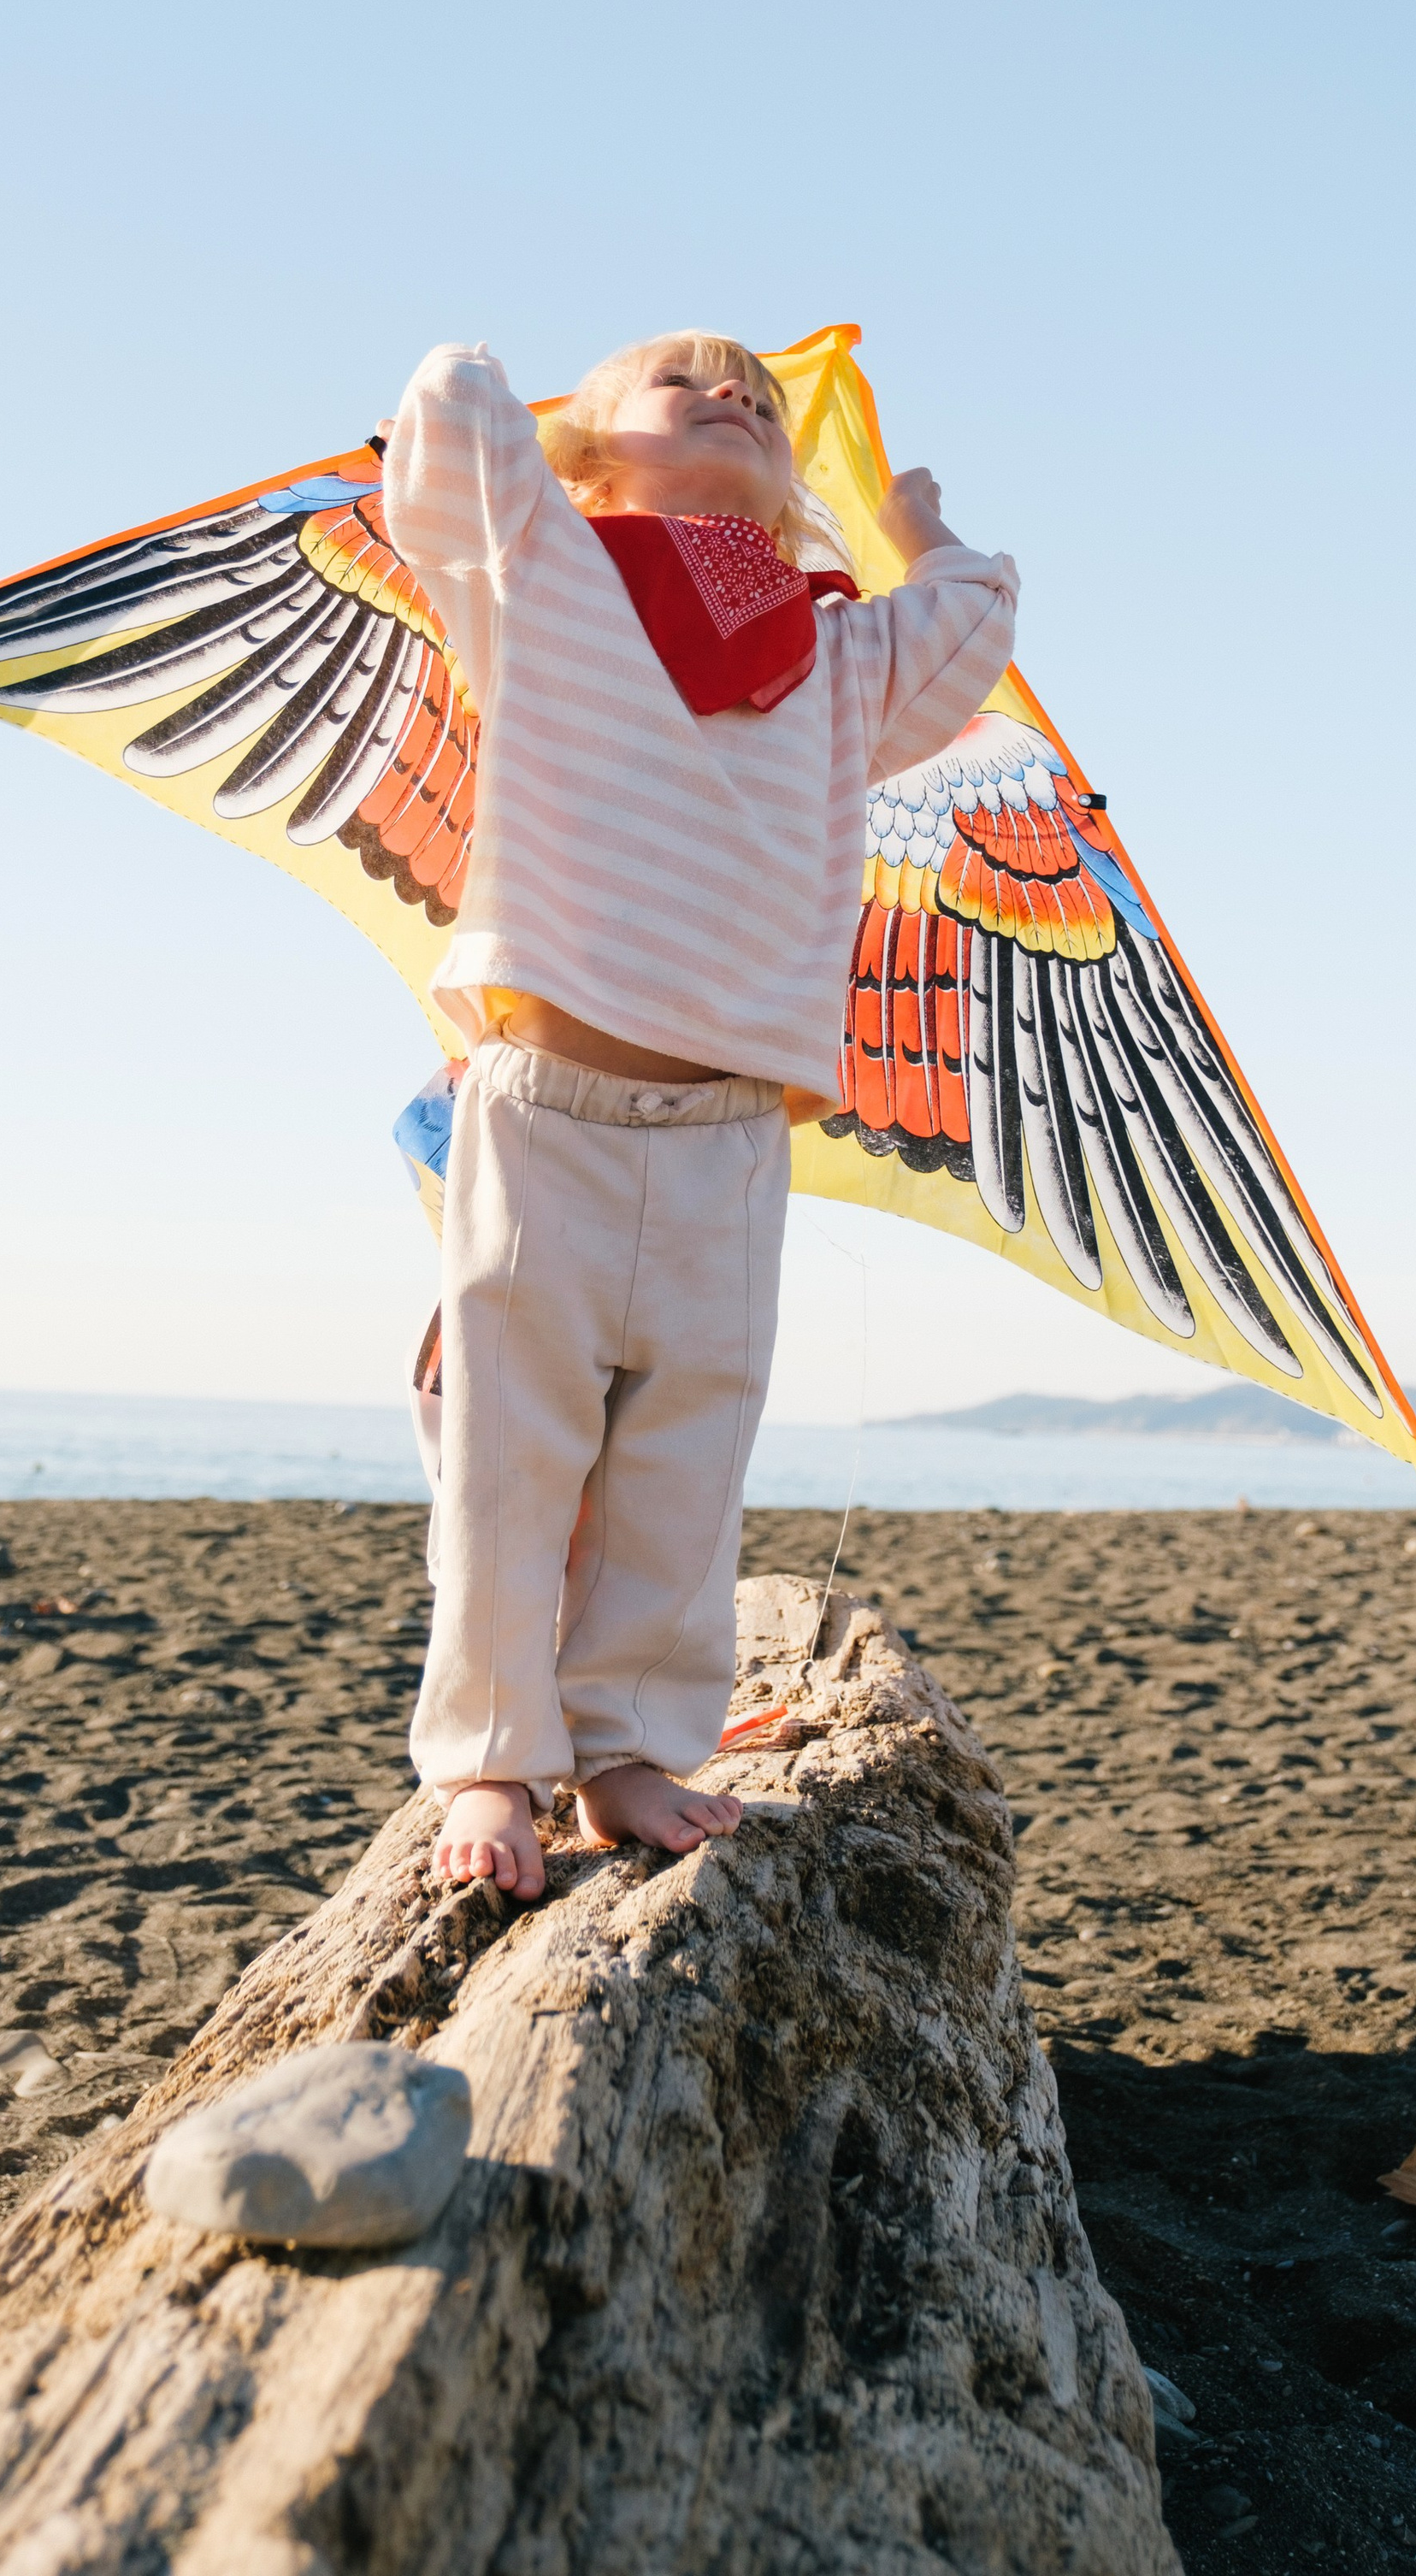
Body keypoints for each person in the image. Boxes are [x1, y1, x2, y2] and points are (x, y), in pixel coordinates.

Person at [380, 333, 1018, 1899]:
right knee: (513, 1460)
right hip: (550, 1110)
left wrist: (914, 529)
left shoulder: (833, 654)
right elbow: (448, 423)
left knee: (685, 1457)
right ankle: (490, 1763)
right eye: (690, 384)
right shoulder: (547, 573)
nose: (735, 396)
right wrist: (541, 410)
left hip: (733, 1135)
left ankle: (627, 1748)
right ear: (590, 452)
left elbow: (974, 622)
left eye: (761, 402)